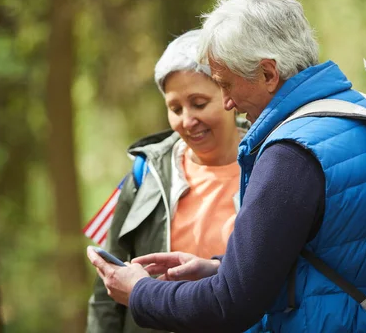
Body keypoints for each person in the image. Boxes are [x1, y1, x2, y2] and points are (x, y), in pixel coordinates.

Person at [87, 0, 366, 333]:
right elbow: (326, 250)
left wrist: (139, 291)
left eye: (226, 85)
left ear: (268, 73)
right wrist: (221, 267)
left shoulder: (289, 155)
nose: (228, 101)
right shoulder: (358, 113)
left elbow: (229, 304)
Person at [86, 29, 247, 333]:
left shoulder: (272, 161)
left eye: (199, 103)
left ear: (229, 96)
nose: (187, 120)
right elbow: (106, 290)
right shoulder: (147, 172)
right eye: (175, 109)